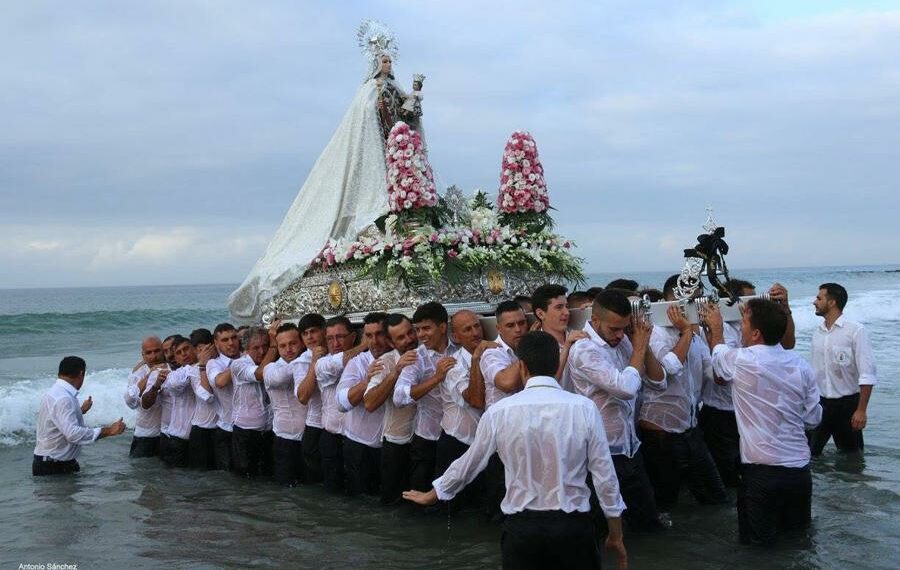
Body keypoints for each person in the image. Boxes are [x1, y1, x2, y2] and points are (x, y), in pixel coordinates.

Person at [228, 21, 423, 322]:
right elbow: (367, 119)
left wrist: (412, 102)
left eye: (389, 60)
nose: (387, 63)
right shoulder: (370, 91)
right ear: (375, 63)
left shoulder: (394, 88)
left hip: (393, 146)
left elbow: (406, 116)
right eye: (383, 60)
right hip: (378, 147)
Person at [403, 332, 628, 570]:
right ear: (557, 363)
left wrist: (435, 493)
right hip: (573, 527)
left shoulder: (500, 411)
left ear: (521, 366)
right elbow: (605, 476)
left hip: (522, 529)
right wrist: (616, 534)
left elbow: (470, 463)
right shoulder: (584, 408)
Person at [706, 298, 822, 546]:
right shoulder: (801, 365)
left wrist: (715, 327)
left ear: (756, 333)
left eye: (744, 324)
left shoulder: (741, 360)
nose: (740, 328)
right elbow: (813, 419)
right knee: (797, 541)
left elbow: (717, 354)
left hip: (762, 474)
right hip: (800, 472)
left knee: (758, 549)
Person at [567, 289, 668, 532]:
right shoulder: (585, 349)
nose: (619, 334)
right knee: (604, 529)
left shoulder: (624, 341)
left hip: (630, 447)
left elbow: (659, 381)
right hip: (601, 453)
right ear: (595, 321)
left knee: (648, 525)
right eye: (614, 329)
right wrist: (639, 349)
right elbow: (625, 388)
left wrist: (640, 344)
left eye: (624, 328)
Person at [639, 275, 727, 511]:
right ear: (674, 304)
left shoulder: (696, 335)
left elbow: (716, 375)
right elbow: (664, 374)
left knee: (716, 497)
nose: (699, 305)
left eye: (700, 298)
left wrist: (716, 335)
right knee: (664, 504)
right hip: (661, 435)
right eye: (694, 299)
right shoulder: (656, 334)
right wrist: (686, 333)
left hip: (690, 429)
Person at [393, 302, 457, 492]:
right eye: (418, 329)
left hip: (456, 436)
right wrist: (436, 378)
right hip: (427, 438)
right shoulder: (416, 357)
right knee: (421, 497)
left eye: (426, 328)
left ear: (443, 327)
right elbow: (399, 397)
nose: (420, 335)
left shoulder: (460, 349)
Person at [809, 283, 878, 455]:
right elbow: (814, 372)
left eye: (819, 298)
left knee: (853, 458)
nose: (814, 302)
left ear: (832, 302)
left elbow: (867, 373)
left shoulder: (855, 330)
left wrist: (861, 410)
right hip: (820, 404)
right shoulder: (817, 333)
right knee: (808, 455)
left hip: (847, 405)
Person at [434, 310, 490, 509]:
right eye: (468, 329)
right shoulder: (452, 364)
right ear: (456, 337)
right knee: (451, 508)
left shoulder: (492, 353)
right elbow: (475, 400)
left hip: (484, 445)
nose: (475, 332)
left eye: (477, 326)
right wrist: (475, 360)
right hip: (457, 443)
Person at [33, 356, 126, 475]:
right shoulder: (64, 398)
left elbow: (56, 419)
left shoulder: (54, 392)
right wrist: (109, 431)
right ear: (81, 373)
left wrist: (80, 411)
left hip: (49, 462)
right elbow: (72, 434)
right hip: (53, 466)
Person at [479, 300, 529, 518]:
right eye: (510, 325)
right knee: (500, 509)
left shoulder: (523, 347)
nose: (518, 329)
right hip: (500, 441)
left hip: (526, 438)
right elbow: (506, 383)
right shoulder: (492, 353)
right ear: (499, 328)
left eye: (521, 323)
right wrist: (530, 350)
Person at [363, 313, 419, 504]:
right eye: (401, 338)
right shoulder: (385, 362)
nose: (409, 339)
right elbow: (369, 403)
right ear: (391, 343)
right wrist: (396, 371)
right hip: (397, 443)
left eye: (410, 332)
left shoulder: (427, 353)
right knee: (393, 503)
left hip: (427, 440)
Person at [337, 312, 392, 496]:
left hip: (393, 446)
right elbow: (342, 402)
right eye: (369, 335)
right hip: (361, 447)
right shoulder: (357, 363)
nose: (374, 341)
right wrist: (367, 381)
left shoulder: (401, 359)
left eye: (379, 334)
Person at [315, 316, 368, 493]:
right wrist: (363, 345)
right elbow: (341, 361)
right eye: (330, 338)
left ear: (353, 337)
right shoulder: (322, 363)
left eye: (340, 337)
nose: (335, 342)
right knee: (333, 492)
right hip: (332, 438)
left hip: (358, 439)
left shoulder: (365, 360)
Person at [263, 323, 309, 486]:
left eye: (293, 343)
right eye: (282, 346)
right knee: (286, 488)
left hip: (310, 436)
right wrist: (308, 357)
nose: (288, 349)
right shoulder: (271, 367)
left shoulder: (309, 362)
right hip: (285, 438)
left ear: (302, 342)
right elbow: (280, 378)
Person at [230, 326, 280, 477]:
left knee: (268, 475)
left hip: (269, 429)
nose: (262, 351)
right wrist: (273, 347)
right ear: (246, 348)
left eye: (265, 346)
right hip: (246, 431)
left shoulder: (274, 360)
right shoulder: (238, 364)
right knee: (245, 477)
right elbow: (259, 374)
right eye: (256, 348)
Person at [142, 336, 196, 468]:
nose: (170, 355)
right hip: (169, 435)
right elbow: (145, 403)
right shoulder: (159, 372)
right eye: (166, 351)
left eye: (173, 350)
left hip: (197, 434)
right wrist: (156, 385)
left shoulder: (194, 368)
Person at [531, 284, 587, 392]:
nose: (566, 312)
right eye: (559, 307)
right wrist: (567, 346)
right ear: (541, 314)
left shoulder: (580, 336)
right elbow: (546, 384)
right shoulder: (535, 347)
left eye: (567, 306)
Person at [294, 314, 327, 484]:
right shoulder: (302, 361)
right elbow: (303, 396)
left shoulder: (336, 351)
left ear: (324, 331)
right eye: (305, 333)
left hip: (339, 427)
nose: (309, 337)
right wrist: (314, 362)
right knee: (316, 481)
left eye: (313, 331)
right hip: (315, 426)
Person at [207, 323, 242, 471]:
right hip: (226, 428)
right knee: (227, 476)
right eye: (225, 340)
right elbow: (220, 381)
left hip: (251, 427)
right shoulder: (214, 363)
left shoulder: (247, 357)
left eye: (234, 338)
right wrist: (239, 363)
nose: (231, 343)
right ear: (216, 343)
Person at [124, 336, 166, 458]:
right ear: (143, 355)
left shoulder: (171, 367)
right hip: (146, 434)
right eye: (148, 353)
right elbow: (131, 402)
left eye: (157, 351)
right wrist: (149, 374)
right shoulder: (137, 374)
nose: (153, 356)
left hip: (167, 433)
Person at [189, 329, 219, 470]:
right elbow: (207, 395)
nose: (204, 352)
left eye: (207, 348)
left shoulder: (220, 364)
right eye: (200, 349)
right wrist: (203, 365)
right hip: (202, 429)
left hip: (219, 428)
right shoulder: (194, 370)